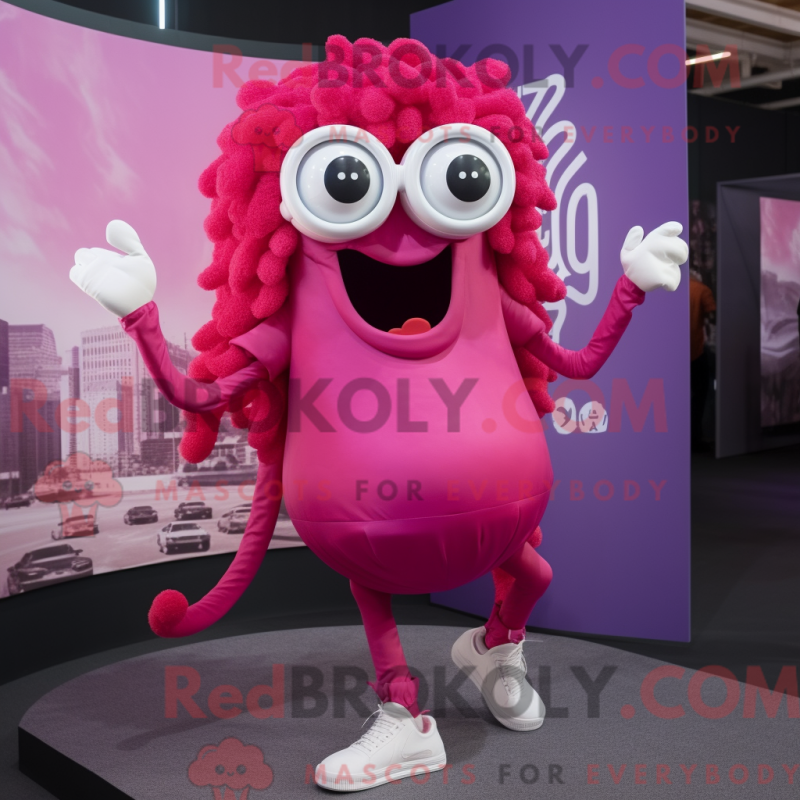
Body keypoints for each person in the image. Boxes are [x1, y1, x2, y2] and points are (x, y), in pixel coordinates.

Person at [689, 269, 716, 451]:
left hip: (674, 353)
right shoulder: (702, 290)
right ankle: (696, 436)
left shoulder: (675, 292)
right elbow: (713, 316)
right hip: (696, 351)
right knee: (700, 394)